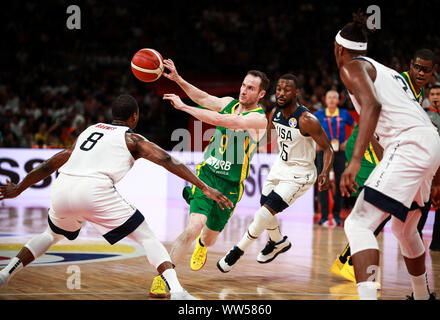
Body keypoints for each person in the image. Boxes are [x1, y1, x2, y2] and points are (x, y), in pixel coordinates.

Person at [0, 94, 233, 300]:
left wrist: (19, 188)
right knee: (147, 237)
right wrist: (203, 187)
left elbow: (51, 163)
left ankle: (5, 273)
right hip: (94, 190)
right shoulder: (133, 140)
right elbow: (167, 160)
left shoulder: (90, 131)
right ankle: (178, 292)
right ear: (134, 117)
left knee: (50, 234)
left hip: (63, 186)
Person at [335, 14, 440, 300]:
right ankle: (422, 296)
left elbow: (371, 107)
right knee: (404, 228)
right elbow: (421, 127)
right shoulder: (388, 73)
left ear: (338, 49)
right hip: (428, 145)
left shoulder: (351, 67)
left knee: (358, 223)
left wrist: (355, 161)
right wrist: (437, 182)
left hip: (410, 145)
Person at [150, 59, 269, 297]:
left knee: (209, 237)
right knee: (193, 227)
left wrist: (184, 108)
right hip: (206, 177)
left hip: (230, 186)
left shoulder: (259, 119)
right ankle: (164, 278)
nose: (244, 91)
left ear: (261, 94)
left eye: (251, 88)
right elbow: (203, 98)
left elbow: (224, 121)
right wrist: (178, 79)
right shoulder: (228, 103)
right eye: (244, 85)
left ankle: (203, 247)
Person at [216, 74, 334, 272]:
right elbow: (267, 136)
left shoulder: (307, 119)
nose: (281, 93)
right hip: (281, 165)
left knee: (263, 213)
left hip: (301, 172)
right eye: (279, 89)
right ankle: (279, 242)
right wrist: (247, 142)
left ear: (296, 93)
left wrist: (325, 172)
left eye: (287, 90)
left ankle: (237, 251)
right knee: (265, 207)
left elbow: (328, 148)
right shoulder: (275, 113)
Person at [314, 90, 354, 226]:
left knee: (339, 183)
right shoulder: (318, 115)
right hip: (323, 152)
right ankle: (324, 216)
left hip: (339, 153)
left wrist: (348, 141)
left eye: (334, 97)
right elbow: (309, 130)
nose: (331, 100)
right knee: (322, 182)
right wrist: (316, 143)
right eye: (329, 97)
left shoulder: (344, 114)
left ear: (338, 100)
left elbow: (356, 127)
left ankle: (337, 216)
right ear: (325, 100)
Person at [417, 84, 440, 252]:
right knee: (425, 200)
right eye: (432, 94)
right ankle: (416, 236)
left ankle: (436, 241)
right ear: (428, 97)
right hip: (429, 159)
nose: (436, 96)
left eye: (438, 93)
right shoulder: (423, 115)